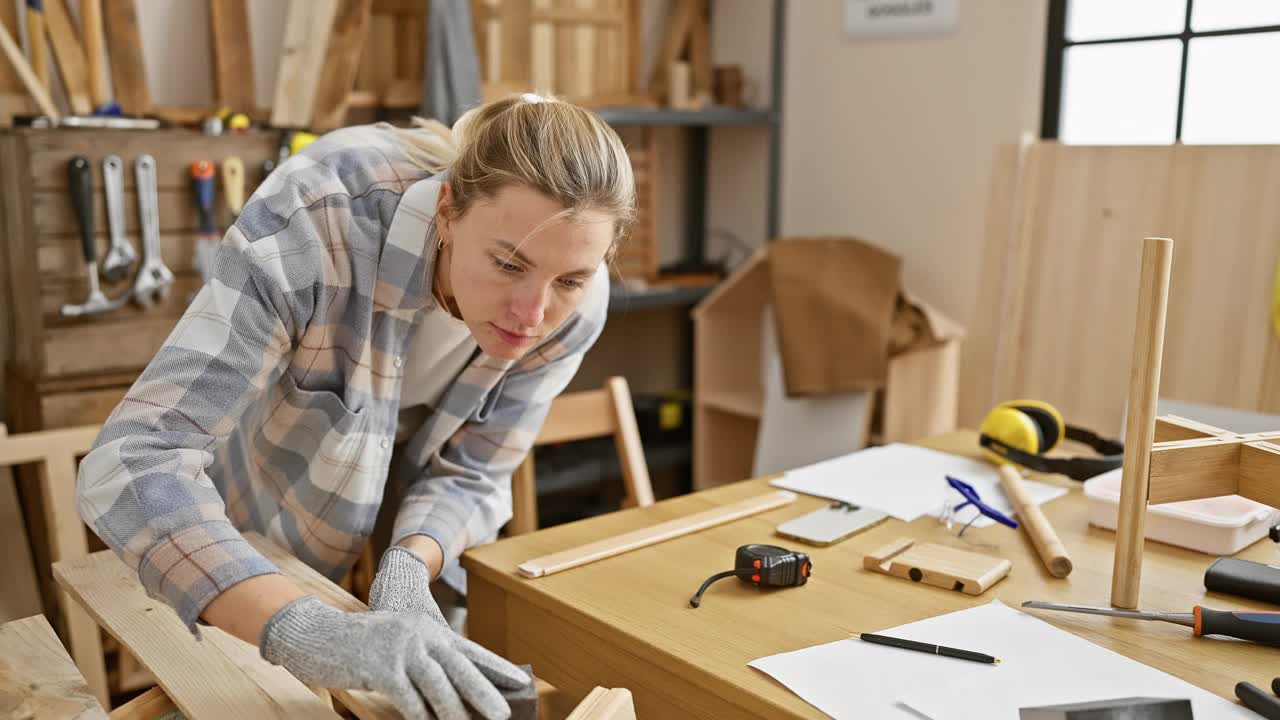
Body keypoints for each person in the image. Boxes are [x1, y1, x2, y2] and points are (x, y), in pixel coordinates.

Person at [75, 93, 635, 720]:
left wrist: (406, 571)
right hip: (272, 533)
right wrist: (304, 631)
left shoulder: (577, 295)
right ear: (447, 211)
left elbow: (472, 474)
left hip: (402, 503)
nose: (533, 316)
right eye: (508, 264)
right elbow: (131, 459)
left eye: (569, 282)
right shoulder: (316, 217)